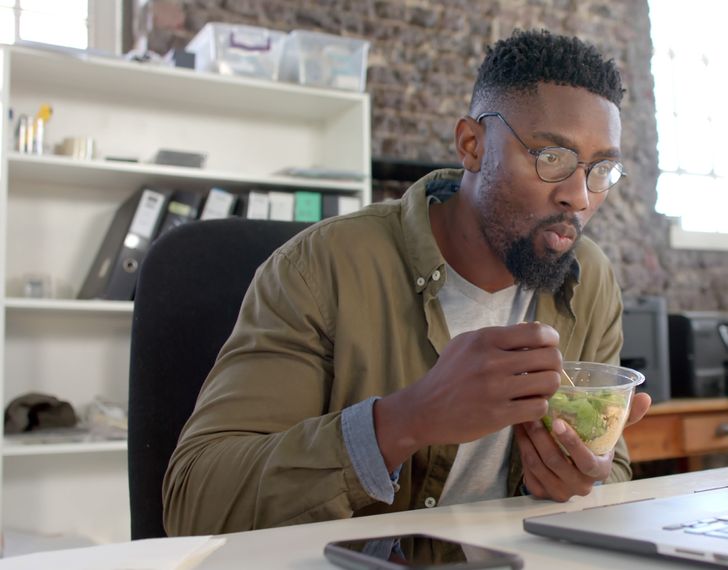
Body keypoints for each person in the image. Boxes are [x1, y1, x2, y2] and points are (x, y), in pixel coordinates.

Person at [163, 29, 652, 536]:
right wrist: (404, 421)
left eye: (601, 169)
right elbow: (195, 502)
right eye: (552, 158)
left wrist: (578, 479)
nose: (580, 196)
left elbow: (607, 470)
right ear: (472, 145)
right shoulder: (320, 267)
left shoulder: (587, 278)